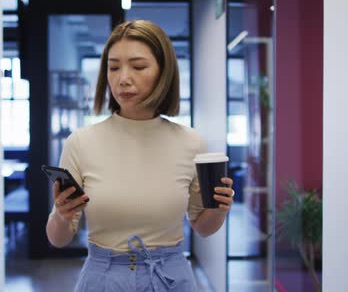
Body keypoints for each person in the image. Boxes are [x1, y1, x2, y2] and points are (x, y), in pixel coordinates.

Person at [46, 20, 235, 292]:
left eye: (138, 67)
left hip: (171, 278)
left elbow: (203, 227)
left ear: (163, 72)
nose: (123, 78)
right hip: (102, 279)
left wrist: (219, 208)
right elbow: (58, 239)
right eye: (113, 67)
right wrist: (62, 217)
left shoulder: (192, 143)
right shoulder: (81, 143)